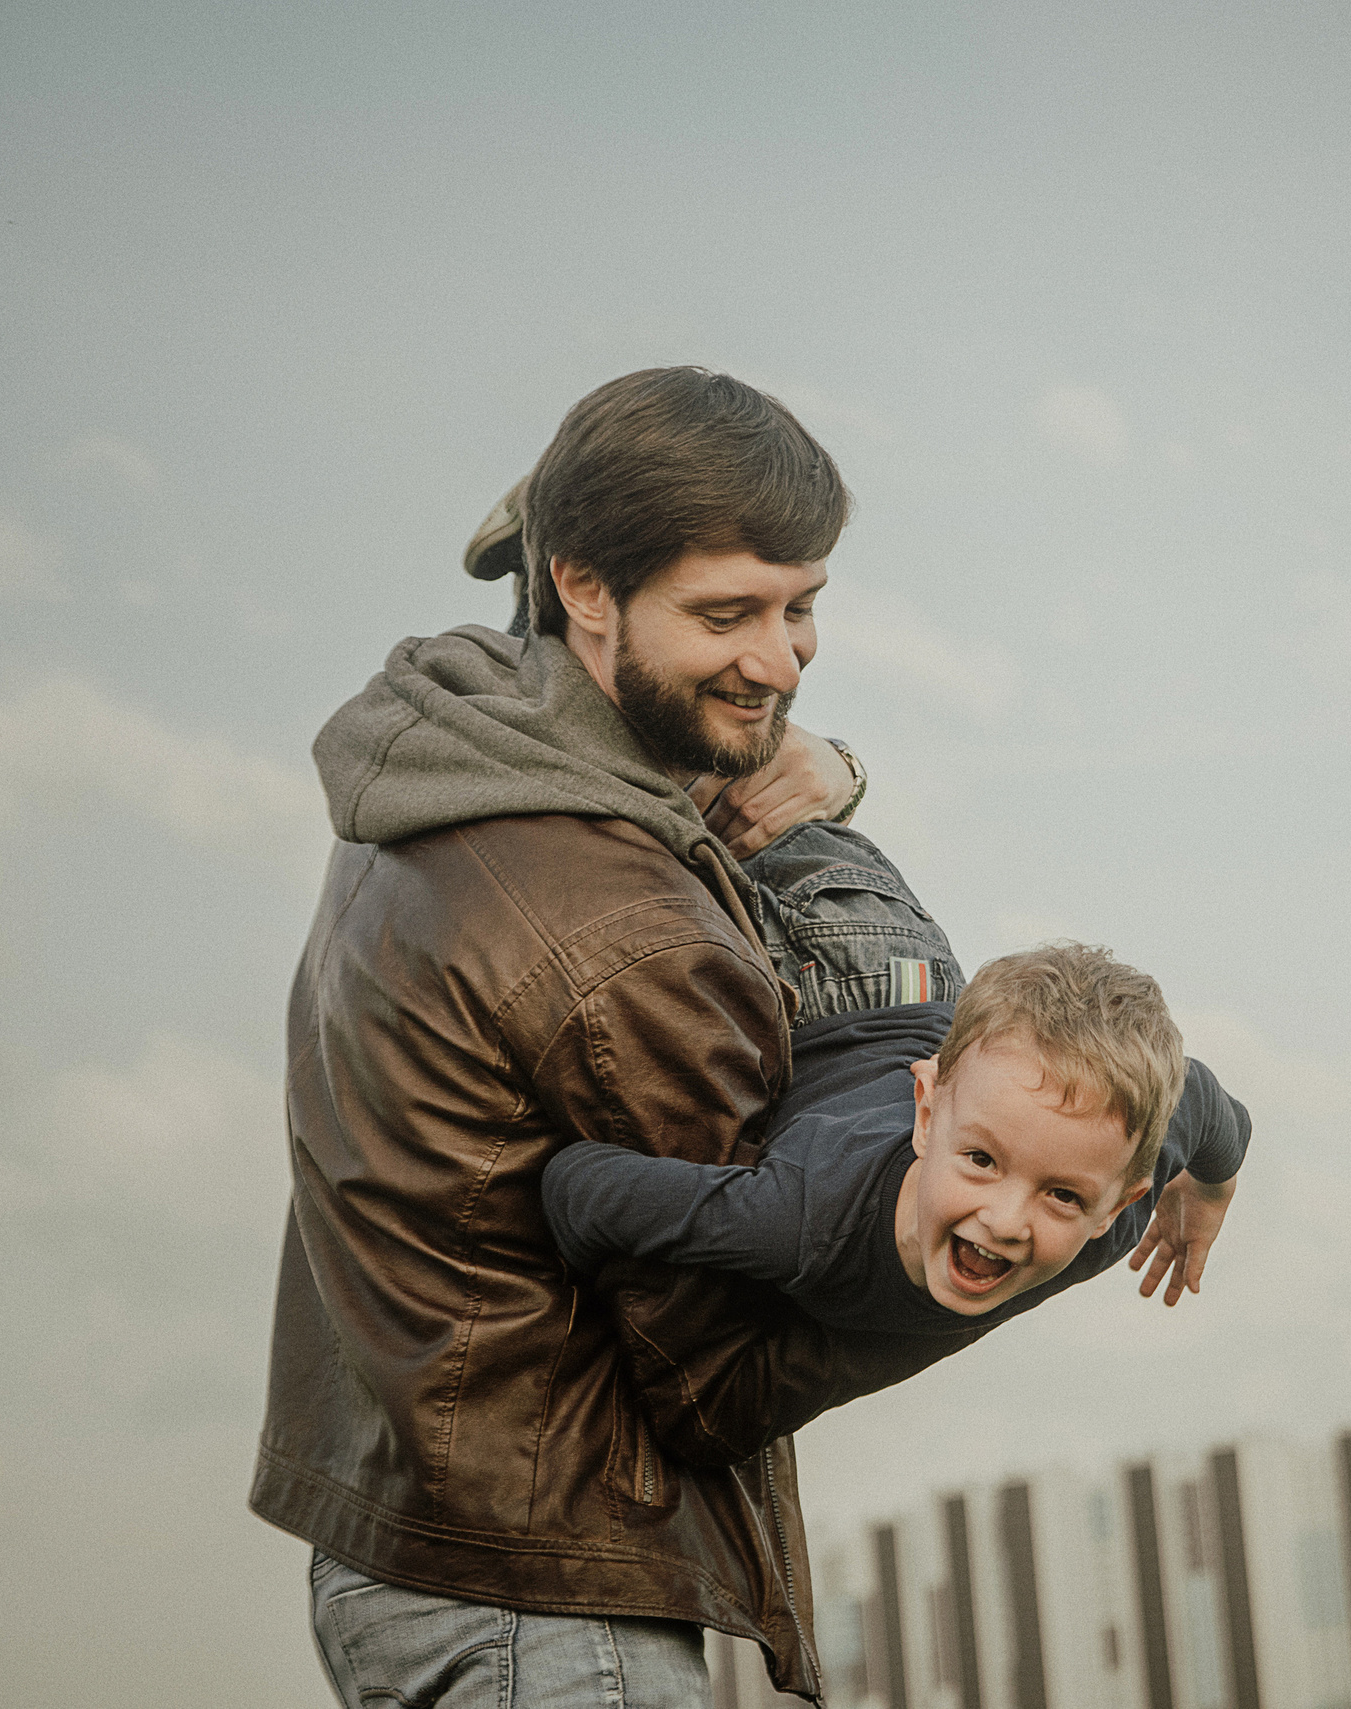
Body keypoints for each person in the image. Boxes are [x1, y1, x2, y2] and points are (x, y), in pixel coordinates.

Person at [253, 367, 965, 1708]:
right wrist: (1027, 1215)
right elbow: (721, 1365)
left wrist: (832, 775)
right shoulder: (629, 932)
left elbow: (687, 750)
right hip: (543, 1606)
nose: (781, 658)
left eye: (802, 606)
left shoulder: (457, 744)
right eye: (727, 614)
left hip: (410, 1548)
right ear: (584, 586)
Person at [541, 829, 1250, 1339]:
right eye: (981, 1159)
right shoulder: (802, 1220)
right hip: (837, 964)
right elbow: (577, 1188)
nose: (1004, 1219)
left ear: (1117, 1204)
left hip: (954, 1022)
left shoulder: (1116, 1194)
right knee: (725, 802)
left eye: (1062, 1195)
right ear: (926, 1110)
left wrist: (1211, 1190)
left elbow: (1210, 1109)